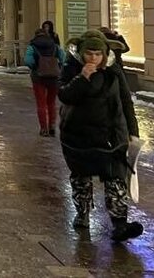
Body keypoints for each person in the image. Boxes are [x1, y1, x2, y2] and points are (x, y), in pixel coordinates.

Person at [59, 29, 142, 241]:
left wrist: (133, 132)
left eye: (98, 54)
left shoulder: (113, 71)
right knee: (81, 178)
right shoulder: (72, 68)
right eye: (89, 54)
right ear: (81, 53)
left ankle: (120, 224)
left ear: (105, 54)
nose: (94, 58)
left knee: (115, 179)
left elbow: (125, 101)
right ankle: (82, 213)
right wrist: (83, 78)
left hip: (111, 136)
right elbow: (65, 95)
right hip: (79, 136)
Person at [24, 27, 65, 136]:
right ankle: (52, 127)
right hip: (54, 77)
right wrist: (57, 67)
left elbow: (28, 61)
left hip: (38, 78)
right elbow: (63, 58)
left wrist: (36, 66)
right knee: (51, 103)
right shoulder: (55, 46)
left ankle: (43, 129)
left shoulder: (32, 46)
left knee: (41, 104)